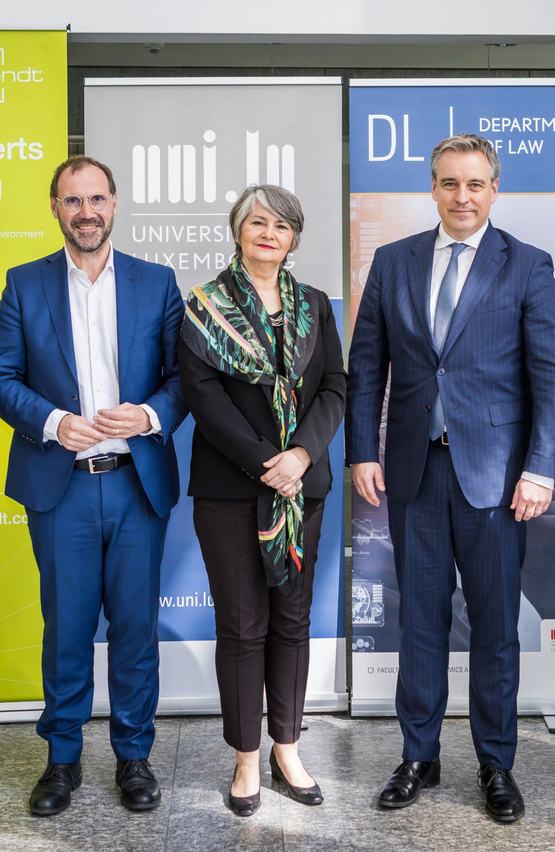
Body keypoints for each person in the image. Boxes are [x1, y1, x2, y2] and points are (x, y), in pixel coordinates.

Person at [346, 133, 555, 823]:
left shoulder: (527, 266)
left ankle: (496, 763)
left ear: (494, 189)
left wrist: (541, 468)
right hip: (414, 473)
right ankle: (419, 754)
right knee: (419, 620)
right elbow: (365, 369)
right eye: (449, 183)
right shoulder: (393, 262)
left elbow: (552, 378)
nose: (462, 196)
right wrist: (362, 450)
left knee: (496, 625)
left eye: (474, 184)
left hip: (498, 481)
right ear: (434, 188)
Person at [0, 156, 187, 817]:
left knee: (134, 629)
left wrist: (150, 415)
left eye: (96, 198)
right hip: (61, 487)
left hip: (135, 486)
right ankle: (62, 760)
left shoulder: (157, 284)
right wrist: (51, 421)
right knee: (66, 628)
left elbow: (185, 378)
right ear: (54, 209)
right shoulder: (23, 284)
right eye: (73, 201)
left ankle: (134, 758)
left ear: (115, 204)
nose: (86, 211)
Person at [179, 185, 345, 817]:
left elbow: (335, 384)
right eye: (257, 222)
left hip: (304, 488)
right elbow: (202, 396)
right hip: (229, 488)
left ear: (294, 238)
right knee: (242, 626)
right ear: (237, 231)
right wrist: (264, 464)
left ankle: (287, 747)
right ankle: (246, 757)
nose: (268, 232)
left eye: (281, 224)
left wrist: (301, 455)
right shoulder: (205, 307)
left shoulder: (315, 306)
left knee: (291, 621)